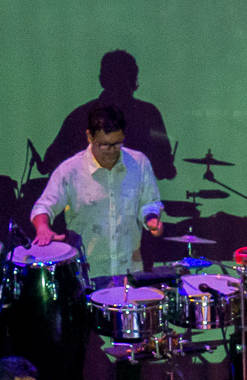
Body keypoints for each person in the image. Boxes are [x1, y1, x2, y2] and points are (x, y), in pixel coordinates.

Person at [31, 103, 164, 280]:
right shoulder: (70, 170)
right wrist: (43, 228)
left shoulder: (139, 163)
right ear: (89, 137)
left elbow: (149, 202)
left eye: (117, 144)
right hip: (87, 274)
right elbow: (43, 206)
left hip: (130, 271)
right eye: (104, 145)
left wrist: (151, 218)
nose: (111, 152)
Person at [42, 50, 178, 185]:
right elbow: (163, 170)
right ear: (134, 80)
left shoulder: (79, 116)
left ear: (102, 79)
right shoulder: (149, 115)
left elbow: (49, 162)